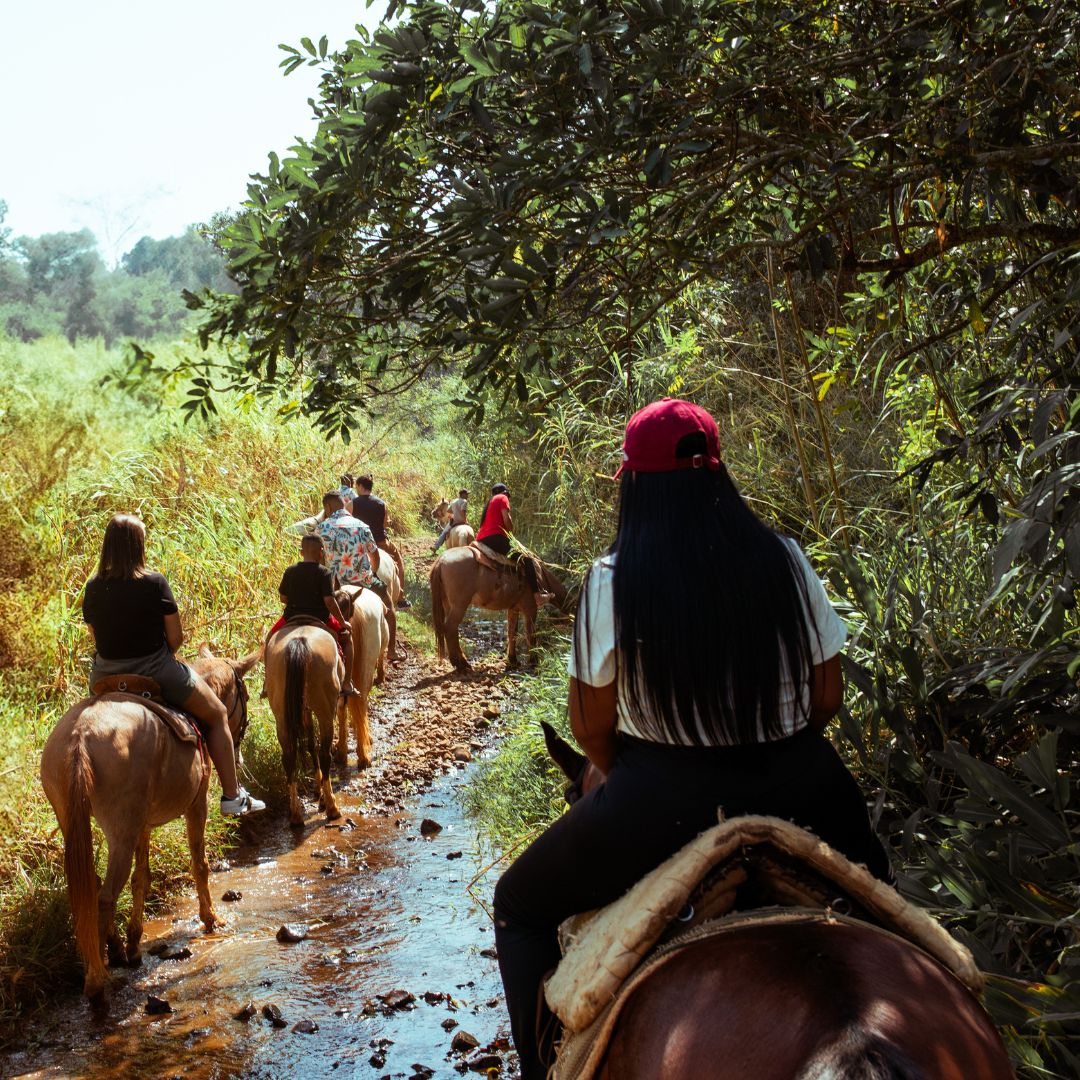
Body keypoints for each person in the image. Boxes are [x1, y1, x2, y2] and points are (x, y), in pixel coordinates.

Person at [491, 399, 892, 1079]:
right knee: (888, 901)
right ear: (720, 473)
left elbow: (590, 728)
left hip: (663, 799)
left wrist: (626, 772)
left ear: (633, 483)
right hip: (803, 781)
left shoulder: (612, 580)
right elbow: (828, 697)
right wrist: (778, 751)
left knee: (518, 907)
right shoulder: (786, 560)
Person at [82, 513, 265, 816]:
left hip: (104, 675)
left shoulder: (93, 587)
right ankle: (233, 796)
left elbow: (95, 635)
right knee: (218, 713)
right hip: (154, 669)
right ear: (137, 546)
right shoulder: (154, 582)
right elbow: (176, 638)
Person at [267, 533, 358, 696]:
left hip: (291, 617)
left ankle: (267, 682)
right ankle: (346, 683)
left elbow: (283, 597)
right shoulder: (324, 573)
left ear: (301, 552)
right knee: (348, 640)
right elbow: (330, 601)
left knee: (269, 639)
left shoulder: (290, 571)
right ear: (321, 553)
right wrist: (343, 622)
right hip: (320, 619)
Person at [316, 491, 400, 660]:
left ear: (328, 507)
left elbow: (319, 560)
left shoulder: (321, 528)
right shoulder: (361, 526)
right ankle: (391, 650)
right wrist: (372, 573)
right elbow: (374, 555)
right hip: (364, 581)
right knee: (389, 606)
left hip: (335, 585)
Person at [351, 474, 411, 609]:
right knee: (399, 561)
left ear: (361, 486)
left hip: (360, 543)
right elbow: (384, 525)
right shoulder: (381, 503)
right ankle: (400, 597)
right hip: (380, 541)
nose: (356, 489)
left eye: (357, 487)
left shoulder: (352, 503)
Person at [475, 482, 541, 593]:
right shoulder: (502, 498)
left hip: (481, 539)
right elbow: (506, 520)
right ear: (505, 493)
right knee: (528, 560)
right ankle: (537, 595)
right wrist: (511, 530)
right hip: (495, 538)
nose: (508, 498)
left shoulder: (489, 504)